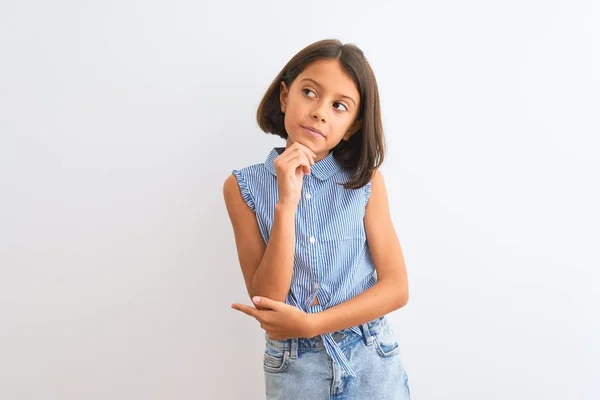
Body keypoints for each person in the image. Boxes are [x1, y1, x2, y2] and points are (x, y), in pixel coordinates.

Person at [223, 38, 411, 399]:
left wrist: (312, 324)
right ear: (284, 96)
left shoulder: (366, 182)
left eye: (340, 106)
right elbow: (266, 297)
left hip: (370, 354)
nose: (320, 111)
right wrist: (286, 204)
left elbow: (396, 287)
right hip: (294, 365)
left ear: (353, 126)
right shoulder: (241, 187)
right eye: (310, 92)